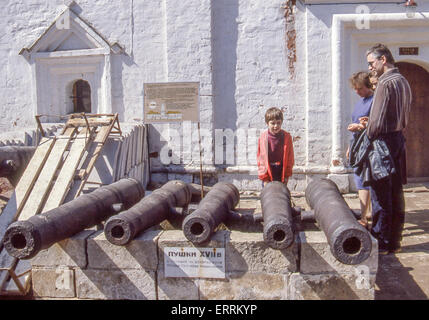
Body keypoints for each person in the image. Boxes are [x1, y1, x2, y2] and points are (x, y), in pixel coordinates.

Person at [362, 43, 412, 254]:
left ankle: (381, 241)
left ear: (383, 60)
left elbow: (377, 123)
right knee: (395, 192)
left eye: (372, 63)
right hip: (398, 139)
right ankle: (394, 242)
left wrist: (368, 130)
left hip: (382, 143)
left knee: (381, 194)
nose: (371, 68)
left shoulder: (384, 83)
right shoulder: (403, 81)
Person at [346, 71, 374, 229]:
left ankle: (364, 217)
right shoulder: (361, 101)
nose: (357, 91)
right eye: (355, 88)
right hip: (358, 143)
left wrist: (360, 126)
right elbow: (356, 122)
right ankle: (366, 212)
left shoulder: (373, 100)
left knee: (365, 180)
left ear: (367, 86)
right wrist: (351, 146)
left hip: (368, 146)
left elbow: (375, 123)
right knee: (360, 179)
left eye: (360, 88)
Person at [257, 107, 294, 186]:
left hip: (281, 171)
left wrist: (287, 175)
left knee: (280, 194)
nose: (276, 126)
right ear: (267, 123)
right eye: (272, 123)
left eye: (278, 123)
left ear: (281, 122)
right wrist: (264, 178)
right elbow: (261, 159)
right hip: (268, 170)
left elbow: (290, 158)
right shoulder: (263, 138)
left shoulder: (287, 137)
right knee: (269, 195)